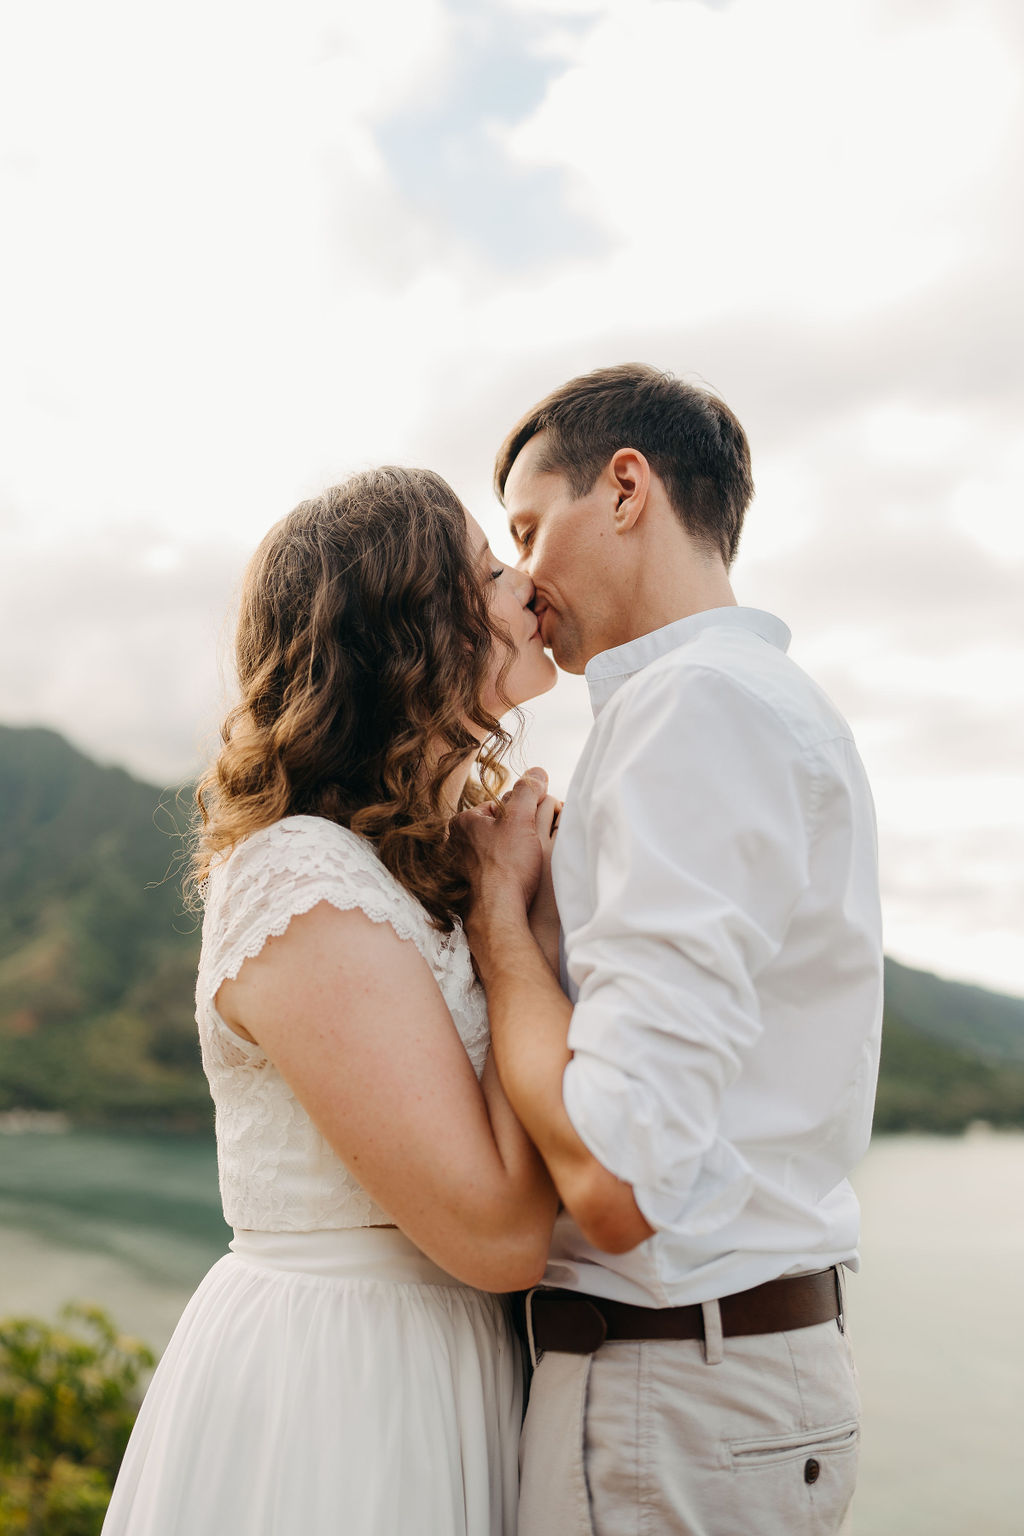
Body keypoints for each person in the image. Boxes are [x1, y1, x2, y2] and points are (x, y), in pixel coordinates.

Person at [458, 364, 883, 1536]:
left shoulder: (690, 708)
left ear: (627, 487)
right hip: (726, 1385)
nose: (524, 582)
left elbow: (617, 1175)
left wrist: (503, 924)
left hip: (671, 1398)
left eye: (529, 529)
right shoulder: (756, 700)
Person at [101, 467, 561, 1536]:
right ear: (414, 630)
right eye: (491, 572)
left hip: (451, 1364)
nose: (527, 587)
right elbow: (496, 1236)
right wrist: (514, 928)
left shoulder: (418, 860)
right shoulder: (300, 876)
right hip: (341, 1386)